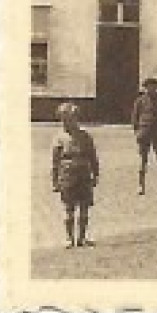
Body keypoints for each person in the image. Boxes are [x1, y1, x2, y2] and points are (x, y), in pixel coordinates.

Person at [51, 103, 100, 248]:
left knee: (84, 207)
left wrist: (96, 174)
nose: (65, 122)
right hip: (67, 175)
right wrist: (55, 181)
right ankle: (69, 238)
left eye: (69, 119)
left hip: (84, 174)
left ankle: (82, 238)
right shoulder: (59, 138)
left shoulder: (85, 136)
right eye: (63, 119)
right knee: (69, 208)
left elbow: (93, 156)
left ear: (76, 119)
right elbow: (55, 161)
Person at [130, 77, 157, 195]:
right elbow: (135, 118)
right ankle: (141, 186)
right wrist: (138, 132)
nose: (151, 89)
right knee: (143, 161)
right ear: (145, 88)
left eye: (154, 87)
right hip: (144, 133)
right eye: (149, 87)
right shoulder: (140, 101)